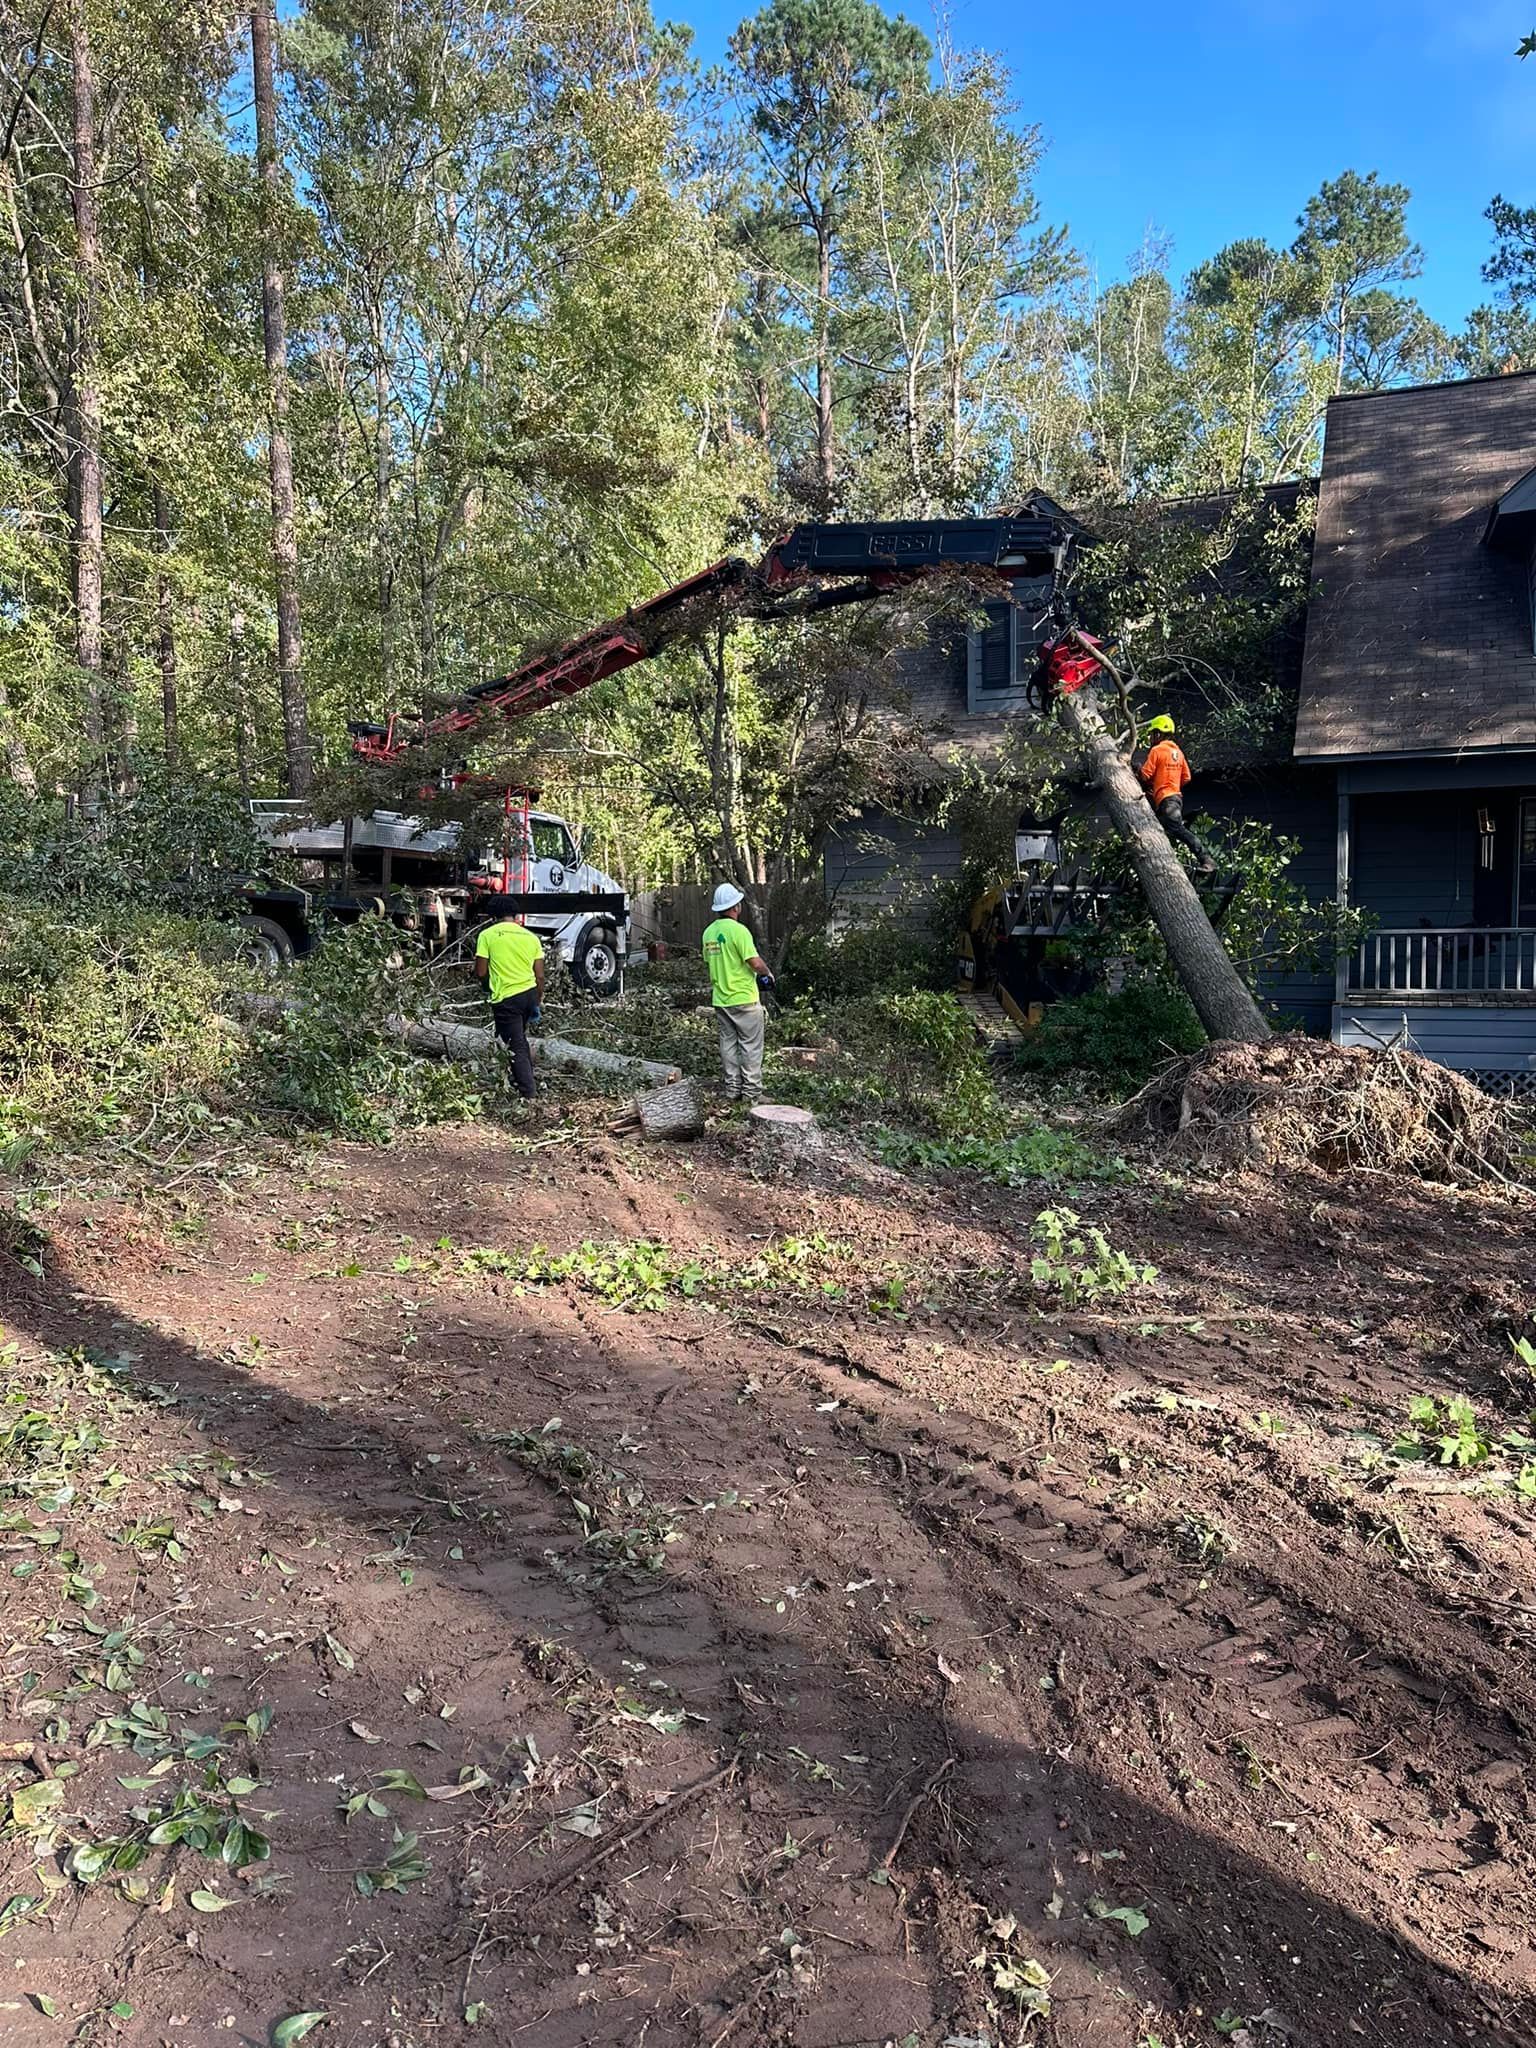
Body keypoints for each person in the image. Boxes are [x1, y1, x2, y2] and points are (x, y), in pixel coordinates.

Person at [701, 883, 772, 1103]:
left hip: (721, 999)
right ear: (735, 906)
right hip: (744, 999)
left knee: (728, 1044)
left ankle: (732, 1090)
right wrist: (767, 973)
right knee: (750, 1046)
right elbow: (754, 961)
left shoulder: (708, 933)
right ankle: (751, 1094)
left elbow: (708, 961)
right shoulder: (739, 931)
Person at [474, 904, 545, 1100]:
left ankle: (528, 1092)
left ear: (493, 916)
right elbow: (539, 975)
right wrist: (537, 1000)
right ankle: (523, 1077)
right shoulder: (531, 937)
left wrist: (488, 986)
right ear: (515, 914)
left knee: (516, 1044)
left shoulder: (487, 935)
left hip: (507, 997)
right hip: (529, 993)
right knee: (519, 1038)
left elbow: (481, 971)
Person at [1136, 714, 1218, 874]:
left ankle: (1206, 859)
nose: (1151, 737)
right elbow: (1186, 777)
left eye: (1153, 734)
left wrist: (1137, 768)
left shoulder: (1157, 750)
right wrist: (1169, 781)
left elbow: (1145, 775)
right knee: (1161, 828)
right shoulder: (1178, 753)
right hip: (1175, 799)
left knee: (1178, 830)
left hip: (1167, 800)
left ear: (1158, 734)